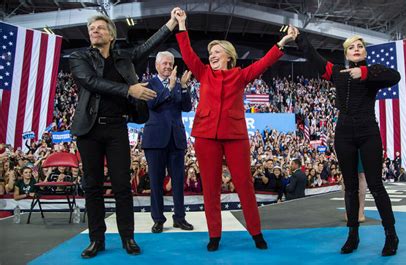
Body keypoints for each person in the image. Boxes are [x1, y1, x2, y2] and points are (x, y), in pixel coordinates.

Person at [174, 9, 297, 251]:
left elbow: (264, 63)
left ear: (229, 56)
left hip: (235, 137)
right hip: (206, 136)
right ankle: (214, 235)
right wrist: (181, 24)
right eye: (210, 53)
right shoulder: (203, 73)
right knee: (210, 188)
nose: (212, 56)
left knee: (244, 185)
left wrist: (282, 42)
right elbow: (188, 54)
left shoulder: (240, 76)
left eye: (217, 52)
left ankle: (256, 232)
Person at [69, 9, 180, 258]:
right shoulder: (79, 57)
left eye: (99, 28)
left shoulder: (124, 58)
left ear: (111, 34)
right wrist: (129, 90)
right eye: (91, 29)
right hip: (89, 129)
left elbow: (150, 44)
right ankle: (96, 239)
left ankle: (127, 238)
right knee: (93, 187)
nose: (94, 31)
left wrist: (171, 23)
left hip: (117, 127)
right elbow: (91, 82)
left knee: (122, 187)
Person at [295, 29, 400, 256]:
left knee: (375, 184)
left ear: (364, 52)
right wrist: (298, 37)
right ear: (346, 53)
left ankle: (391, 234)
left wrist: (364, 73)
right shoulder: (337, 73)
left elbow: (395, 76)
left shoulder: (373, 73)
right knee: (350, 187)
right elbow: (313, 57)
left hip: (368, 132)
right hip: (344, 135)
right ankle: (352, 235)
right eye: (351, 47)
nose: (356, 49)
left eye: (360, 46)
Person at [142, 51, 193, 233]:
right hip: (155, 140)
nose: (168, 67)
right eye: (164, 63)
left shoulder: (179, 84)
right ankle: (158, 219)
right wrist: (170, 87)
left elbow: (187, 107)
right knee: (156, 181)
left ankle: (179, 218)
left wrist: (184, 86)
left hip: (176, 140)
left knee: (178, 181)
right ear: (157, 65)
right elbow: (152, 104)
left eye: (171, 64)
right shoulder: (149, 84)